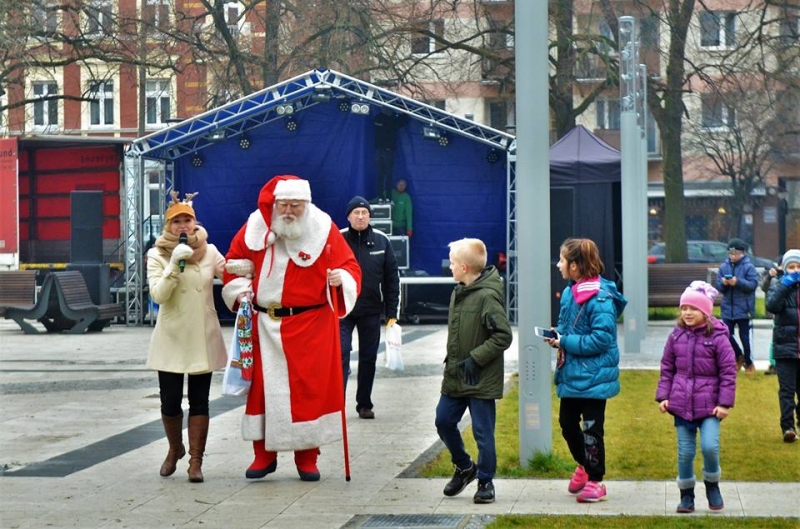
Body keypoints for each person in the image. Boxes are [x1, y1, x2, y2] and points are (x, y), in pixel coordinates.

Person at [221, 175, 361, 481]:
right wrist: (242, 292)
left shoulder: (323, 228)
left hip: (310, 326)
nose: (288, 211)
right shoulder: (255, 226)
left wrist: (341, 280)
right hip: (264, 325)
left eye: (295, 205)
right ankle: (263, 455)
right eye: (283, 204)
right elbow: (233, 262)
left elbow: (350, 266)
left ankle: (307, 458)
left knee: (307, 392)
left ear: (306, 204)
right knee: (262, 391)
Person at [146, 191, 227, 483]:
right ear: (168, 226)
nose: (183, 225)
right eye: (176, 221)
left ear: (195, 223)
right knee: (169, 401)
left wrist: (245, 273)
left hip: (202, 334)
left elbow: (229, 275)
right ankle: (174, 448)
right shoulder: (156, 254)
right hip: (172, 335)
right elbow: (158, 295)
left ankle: (195, 461)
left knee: (200, 400)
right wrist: (173, 265)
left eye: (187, 220)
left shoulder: (210, 250)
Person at [544, 238, 626, 503]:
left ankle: (596, 481)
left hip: (595, 378)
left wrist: (565, 341)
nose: (558, 265)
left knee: (592, 430)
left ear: (575, 266)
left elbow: (601, 339)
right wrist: (556, 334)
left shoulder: (600, 298)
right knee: (567, 424)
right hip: (572, 375)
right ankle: (585, 465)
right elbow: (565, 324)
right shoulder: (570, 292)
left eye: (562, 260)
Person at [435, 238, 512, 504]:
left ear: (464, 267)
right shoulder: (459, 291)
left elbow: (503, 335)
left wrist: (476, 359)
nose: (450, 267)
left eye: (453, 263)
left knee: (483, 433)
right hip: (456, 376)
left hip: (480, 378)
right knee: (443, 421)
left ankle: (486, 481)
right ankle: (465, 467)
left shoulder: (487, 296)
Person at [655, 281, 737, 513]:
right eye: (684, 308)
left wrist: (724, 403)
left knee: (710, 447)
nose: (688, 313)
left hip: (710, 406)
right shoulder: (676, 336)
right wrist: (664, 396)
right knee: (685, 452)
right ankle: (686, 495)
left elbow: (728, 372)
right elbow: (667, 368)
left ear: (705, 311)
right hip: (681, 404)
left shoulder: (719, 337)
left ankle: (712, 485)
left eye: (693, 308)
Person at [340, 196, 401, 419]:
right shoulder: (338, 239)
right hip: (343, 310)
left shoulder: (382, 241)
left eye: (364, 213)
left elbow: (392, 279)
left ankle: (364, 404)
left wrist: (392, 313)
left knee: (368, 357)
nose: (360, 216)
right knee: (340, 354)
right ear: (348, 216)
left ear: (370, 216)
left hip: (371, 310)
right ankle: (336, 405)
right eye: (356, 213)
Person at [765, 249, 800, 444]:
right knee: (786, 391)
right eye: (791, 267)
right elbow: (772, 306)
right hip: (785, 348)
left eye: (798, 267)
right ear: (785, 269)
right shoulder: (778, 286)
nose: (795, 271)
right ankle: (788, 427)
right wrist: (785, 286)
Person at [715, 238, 759, 373]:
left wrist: (738, 282)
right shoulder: (723, 267)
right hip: (728, 308)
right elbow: (719, 286)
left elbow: (753, 285)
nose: (733, 256)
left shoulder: (749, 267)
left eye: (736, 253)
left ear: (743, 253)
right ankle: (738, 355)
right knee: (725, 334)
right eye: (730, 253)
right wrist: (724, 283)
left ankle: (749, 363)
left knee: (745, 338)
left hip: (744, 309)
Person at [761, 260, 783, 376]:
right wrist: (769, 276)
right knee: (775, 341)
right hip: (777, 316)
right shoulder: (774, 279)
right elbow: (764, 288)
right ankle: (773, 364)